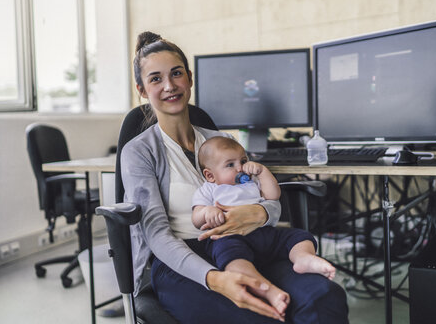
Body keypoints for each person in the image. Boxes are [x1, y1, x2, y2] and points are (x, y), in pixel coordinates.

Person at [121, 30, 349, 323]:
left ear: (189, 78)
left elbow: (268, 200)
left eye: (176, 74)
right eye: (155, 78)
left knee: (324, 296)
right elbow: (156, 235)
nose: (169, 85)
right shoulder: (139, 152)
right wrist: (215, 279)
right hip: (182, 262)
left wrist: (256, 213)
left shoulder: (223, 141)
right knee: (262, 315)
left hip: (249, 245)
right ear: (142, 89)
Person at [192, 136, 336, 320]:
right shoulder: (209, 189)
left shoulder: (251, 182)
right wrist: (207, 212)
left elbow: (273, 195)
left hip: (264, 233)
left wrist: (262, 172)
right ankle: (267, 290)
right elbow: (196, 218)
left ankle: (303, 258)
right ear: (210, 175)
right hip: (231, 238)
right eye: (230, 165)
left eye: (243, 161)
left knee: (299, 236)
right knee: (231, 259)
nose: (240, 168)